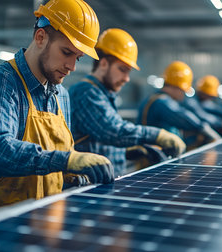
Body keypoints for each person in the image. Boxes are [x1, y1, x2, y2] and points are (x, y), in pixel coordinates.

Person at [0, 0, 114, 212]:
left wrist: (75, 172)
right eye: (66, 52)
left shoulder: (61, 95)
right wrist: (67, 160)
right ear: (41, 37)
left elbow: (62, 159)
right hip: (3, 224)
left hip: (50, 220)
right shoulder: (0, 82)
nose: (71, 67)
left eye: (78, 58)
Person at [69, 28, 186, 176]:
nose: (126, 78)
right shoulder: (86, 92)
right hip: (88, 190)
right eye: (123, 69)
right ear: (103, 63)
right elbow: (114, 131)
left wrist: (127, 152)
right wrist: (158, 135)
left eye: (128, 72)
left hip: (103, 185)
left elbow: (98, 141)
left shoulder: (103, 94)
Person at [137, 61, 221, 150]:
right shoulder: (161, 102)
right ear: (177, 87)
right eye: (183, 91)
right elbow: (182, 117)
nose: (183, 95)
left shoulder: (157, 98)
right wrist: (204, 128)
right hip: (152, 159)